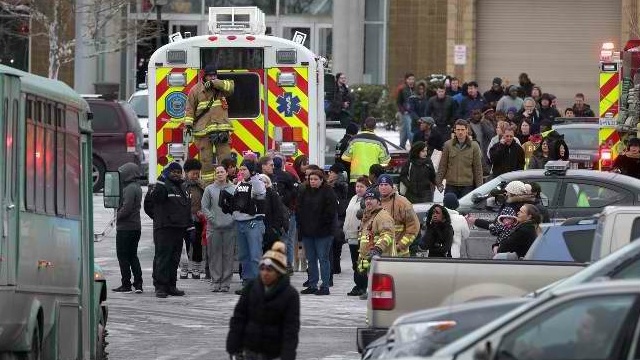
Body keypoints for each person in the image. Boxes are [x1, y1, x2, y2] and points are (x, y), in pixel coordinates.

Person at [226, 241, 300, 360]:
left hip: (273, 353)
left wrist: (288, 356)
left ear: (279, 273)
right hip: (249, 350)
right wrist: (233, 346)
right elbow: (239, 318)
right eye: (262, 268)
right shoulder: (251, 288)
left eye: (270, 270)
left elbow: (290, 329)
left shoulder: (290, 295)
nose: (265, 273)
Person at [184, 64, 235, 184]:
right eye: (210, 76)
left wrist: (215, 83)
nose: (212, 77)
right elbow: (190, 109)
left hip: (221, 129)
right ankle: (208, 185)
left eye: (214, 75)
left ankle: (227, 183)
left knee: (225, 159)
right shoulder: (195, 90)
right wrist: (188, 126)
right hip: (203, 131)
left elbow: (231, 87)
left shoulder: (220, 87)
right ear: (204, 76)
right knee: (206, 160)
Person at [151, 162, 191, 298]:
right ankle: (160, 287)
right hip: (164, 228)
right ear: (168, 172)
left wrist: (189, 226)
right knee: (163, 258)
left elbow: (186, 208)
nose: (176, 174)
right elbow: (153, 201)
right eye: (173, 171)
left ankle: (171, 286)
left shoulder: (182, 187)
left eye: (179, 172)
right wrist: (159, 217)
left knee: (174, 259)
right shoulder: (162, 186)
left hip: (178, 228)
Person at [296, 169, 337, 295]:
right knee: (311, 259)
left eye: (315, 179)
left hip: (323, 232)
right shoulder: (304, 191)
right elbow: (299, 209)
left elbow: (331, 212)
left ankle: (325, 285)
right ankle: (312, 284)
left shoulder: (328, 191)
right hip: (308, 231)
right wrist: (301, 228)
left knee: (323, 258)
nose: (312, 181)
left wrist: (321, 224)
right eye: (311, 179)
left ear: (321, 180)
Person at [467, 180, 534, 252]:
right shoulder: (529, 206)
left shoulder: (509, 209)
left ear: (512, 193)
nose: (505, 193)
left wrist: (475, 221)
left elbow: (497, 229)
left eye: (507, 191)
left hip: (507, 248)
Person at [233, 160, 267, 295]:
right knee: (244, 255)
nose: (241, 172)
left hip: (253, 223)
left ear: (252, 170)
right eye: (240, 169)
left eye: (244, 169)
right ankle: (246, 282)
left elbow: (260, 191)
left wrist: (253, 175)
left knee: (255, 255)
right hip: (240, 222)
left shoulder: (257, 182)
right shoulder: (240, 184)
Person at [201, 165, 237, 292]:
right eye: (217, 172)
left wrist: (233, 218)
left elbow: (237, 207)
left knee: (228, 256)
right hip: (214, 228)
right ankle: (216, 282)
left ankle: (226, 283)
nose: (220, 174)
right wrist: (212, 219)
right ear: (215, 175)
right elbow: (204, 207)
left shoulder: (234, 188)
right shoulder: (209, 189)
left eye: (222, 172)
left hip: (230, 228)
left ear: (227, 173)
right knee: (214, 255)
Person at [356, 189, 395, 298]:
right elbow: (365, 240)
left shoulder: (383, 216)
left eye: (372, 199)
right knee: (373, 279)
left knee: (382, 292)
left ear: (378, 201)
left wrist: (377, 249)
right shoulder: (368, 217)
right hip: (370, 259)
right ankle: (371, 293)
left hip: (382, 258)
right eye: (367, 199)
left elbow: (387, 235)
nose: (368, 201)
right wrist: (362, 261)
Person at [112, 162, 144, 293]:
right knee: (132, 256)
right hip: (135, 227)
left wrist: (116, 217)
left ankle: (126, 284)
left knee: (123, 256)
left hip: (126, 228)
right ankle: (138, 284)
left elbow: (127, 208)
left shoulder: (130, 188)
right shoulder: (137, 187)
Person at [436, 119, 484, 198]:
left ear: (466, 130)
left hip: (467, 186)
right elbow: (443, 165)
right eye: (458, 129)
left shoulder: (474, 146)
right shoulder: (448, 145)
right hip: (451, 185)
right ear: (454, 130)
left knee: (465, 209)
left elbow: (478, 168)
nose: (460, 132)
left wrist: (480, 188)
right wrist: (438, 181)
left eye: (462, 129)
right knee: (449, 208)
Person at [378, 174, 420, 257]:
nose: (383, 187)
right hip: (379, 254)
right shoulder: (375, 202)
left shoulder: (403, 203)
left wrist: (400, 246)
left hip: (400, 255)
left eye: (386, 185)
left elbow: (413, 228)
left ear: (392, 186)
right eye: (381, 185)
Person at [341, 116, 390, 184]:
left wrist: (356, 161)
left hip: (356, 180)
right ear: (375, 127)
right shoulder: (380, 142)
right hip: (372, 180)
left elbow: (345, 157)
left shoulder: (354, 140)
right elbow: (385, 161)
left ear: (364, 125)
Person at [343, 176, 371, 296]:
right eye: (357, 186)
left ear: (367, 188)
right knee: (355, 263)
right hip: (351, 235)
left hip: (360, 235)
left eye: (361, 186)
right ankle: (358, 284)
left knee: (361, 262)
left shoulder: (367, 200)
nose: (358, 189)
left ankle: (363, 285)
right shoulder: (354, 198)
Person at [272, 155, 300, 273]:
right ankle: (287, 265)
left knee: (279, 238)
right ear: (282, 164)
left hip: (275, 211)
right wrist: (287, 198)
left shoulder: (269, 176)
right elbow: (296, 189)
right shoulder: (288, 175)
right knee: (287, 238)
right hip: (286, 210)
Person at [179, 158, 205, 280]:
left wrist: (202, 212)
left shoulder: (201, 186)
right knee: (185, 245)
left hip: (198, 220)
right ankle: (184, 268)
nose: (196, 176)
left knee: (197, 245)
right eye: (193, 173)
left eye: (197, 173)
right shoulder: (181, 185)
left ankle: (196, 269)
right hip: (184, 220)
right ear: (186, 172)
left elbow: (206, 201)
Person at [327, 164, 349, 275]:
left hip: (339, 215)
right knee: (335, 241)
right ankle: (334, 265)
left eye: (330, 172)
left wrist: (332, 184)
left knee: (337, 239)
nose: (329, 174)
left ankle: (335, 265)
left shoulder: (341, 185)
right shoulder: (329, 184)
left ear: (336, 173)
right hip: (335, 215)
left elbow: (341, 196)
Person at [258, 174, 287, 254]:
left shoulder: (272, 194)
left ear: (268, 183)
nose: (262, 184)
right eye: (260, 181)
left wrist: (274, 229)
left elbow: (278, 212)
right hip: (258, 229)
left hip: (270, 231)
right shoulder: (254, 194)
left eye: (264, 182)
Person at [442, 193, 470, 258]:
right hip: (453, 255)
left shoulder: (436, 217)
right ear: (456, 205)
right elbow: (466, 235)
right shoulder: (460, 219)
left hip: (435, 255)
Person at [397, 73, 416, 149]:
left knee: (405, 131)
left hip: (413, 113)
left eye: (412, 79)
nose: (411, 81)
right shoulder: (402, 89)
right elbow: (399, 102)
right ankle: (411, 146)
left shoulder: (416, 89)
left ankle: (402, 146)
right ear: (406, 80)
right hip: (405, 113)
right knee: (409, 131)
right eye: (409, 79)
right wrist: (403, 111)